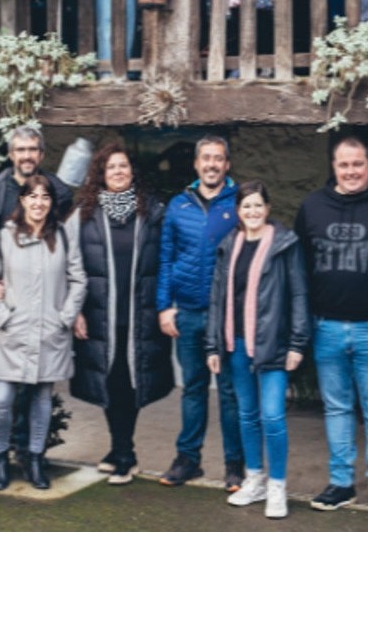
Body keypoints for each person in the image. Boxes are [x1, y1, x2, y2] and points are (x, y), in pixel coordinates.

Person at [294, 135, 368, 517]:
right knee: (336, 409)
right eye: (344, 165)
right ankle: (341, 483)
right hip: (327, 328)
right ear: (333, 167)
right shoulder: (312, 207)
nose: (351, 171)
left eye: (358, 164)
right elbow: (299, 266)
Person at [0, 125, 73, 477]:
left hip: (43, 306)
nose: (26, 156)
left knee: (37, 382)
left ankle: (29, 450)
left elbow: (68, 245)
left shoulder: (57, 192)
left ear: (41, 154)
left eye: (33, 149)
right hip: (5, 307)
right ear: (11, 154)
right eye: (20, 149)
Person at [68, 143, 173, 484]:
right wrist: (76, 311)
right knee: (111, 384)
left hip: (140, 316)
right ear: (100, 173)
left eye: (123, 166)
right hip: (101, 317)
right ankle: (120, 449)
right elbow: (69, 267)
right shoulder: (84, 215)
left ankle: (124, 455)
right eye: (111, 167)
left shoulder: (153, 213)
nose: (118, 172)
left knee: (131, 384)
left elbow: (167, 260)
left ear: (132, 172)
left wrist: (166, 304)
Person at [206, 181, 310, 518]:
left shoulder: (283, 244)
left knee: (273, 416)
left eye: (257, 205)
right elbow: (217, 298)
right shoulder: (229, 245)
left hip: (274, 344)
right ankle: (255, 479)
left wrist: (297, 342)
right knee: (247, 415)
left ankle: (278, 486)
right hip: (235, 343)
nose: (252, 212)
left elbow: (298, 294)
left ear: (267, 208)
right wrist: (213, 345)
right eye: (245, 206)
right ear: (238, 211)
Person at [0, 172, 86, 491]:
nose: (39, 203)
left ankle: (35, 459)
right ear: (22, 200)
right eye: (33, 196)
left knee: (41, 398)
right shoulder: (3, 237)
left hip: (50, 333)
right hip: (12, 332)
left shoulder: (63, 237)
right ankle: (0, 459)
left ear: (51, 203)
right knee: (1, 399)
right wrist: (3, 316)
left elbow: (79, 279)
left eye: (45, 197)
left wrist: (65, 316)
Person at [156, 135, 245, 491]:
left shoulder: (239, 203)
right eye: (205, 158)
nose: (211, 164)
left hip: (225, 317)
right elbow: (165, 258)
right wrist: (165, 307)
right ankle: (188, 459)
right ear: (196, 164)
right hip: (188, 312)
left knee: (228, 391)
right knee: (193, 388)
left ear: (227, 164)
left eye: (218, 159)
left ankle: (235, 465)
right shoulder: (178, 205)